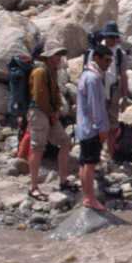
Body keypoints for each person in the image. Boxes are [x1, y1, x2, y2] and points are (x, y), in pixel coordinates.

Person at [27, 44, 74, 201]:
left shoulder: (51, 72)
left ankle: (63, 180)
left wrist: (55, 112)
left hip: (48, 114)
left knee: (66, 142)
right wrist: (52, 114)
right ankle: (33, 187)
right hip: (39, 113)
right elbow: (40, 97)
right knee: (37, 148)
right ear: (48, 57)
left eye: (60, 55)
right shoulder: (41, 72)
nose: (59, 58)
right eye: (56, 55)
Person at [75, 45, 113, 211]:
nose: (108, 64)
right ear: (96, 57)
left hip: (84, 127)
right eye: (106, 60)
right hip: (92, 128)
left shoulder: (87, 75)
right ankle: (90, 198)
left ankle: (87, 196)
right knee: (89, 164)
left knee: (84, 163)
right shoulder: (93, 78)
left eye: (110, 60)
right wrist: (102, 127)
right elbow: (95, 106)